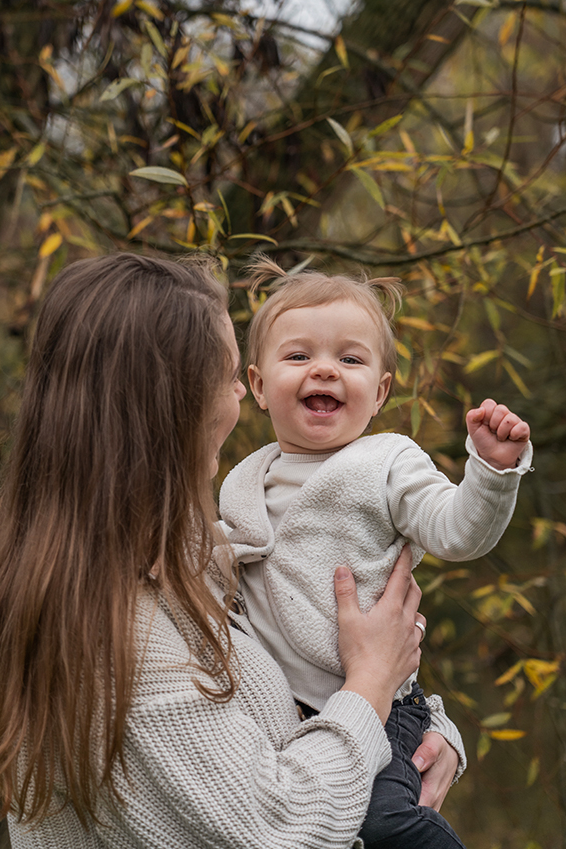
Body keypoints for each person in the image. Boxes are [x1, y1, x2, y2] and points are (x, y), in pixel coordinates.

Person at [0, 252, 461, 849]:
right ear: (172, 406)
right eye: (230, 375)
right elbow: (280, 829)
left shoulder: (186, 561)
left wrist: (427, 730)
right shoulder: (119, 640)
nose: (243, 392)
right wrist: (371, 685)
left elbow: (303, 665)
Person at [219, 257, 533, 849]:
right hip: (281, 720)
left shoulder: (387, 463)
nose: (325, 370)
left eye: (351, 359)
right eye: (298, 356)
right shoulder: (243, 481)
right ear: (258, 386)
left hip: (380, 709)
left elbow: (457, 531)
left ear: (381, 391)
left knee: (388, 826)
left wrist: (490, 472)